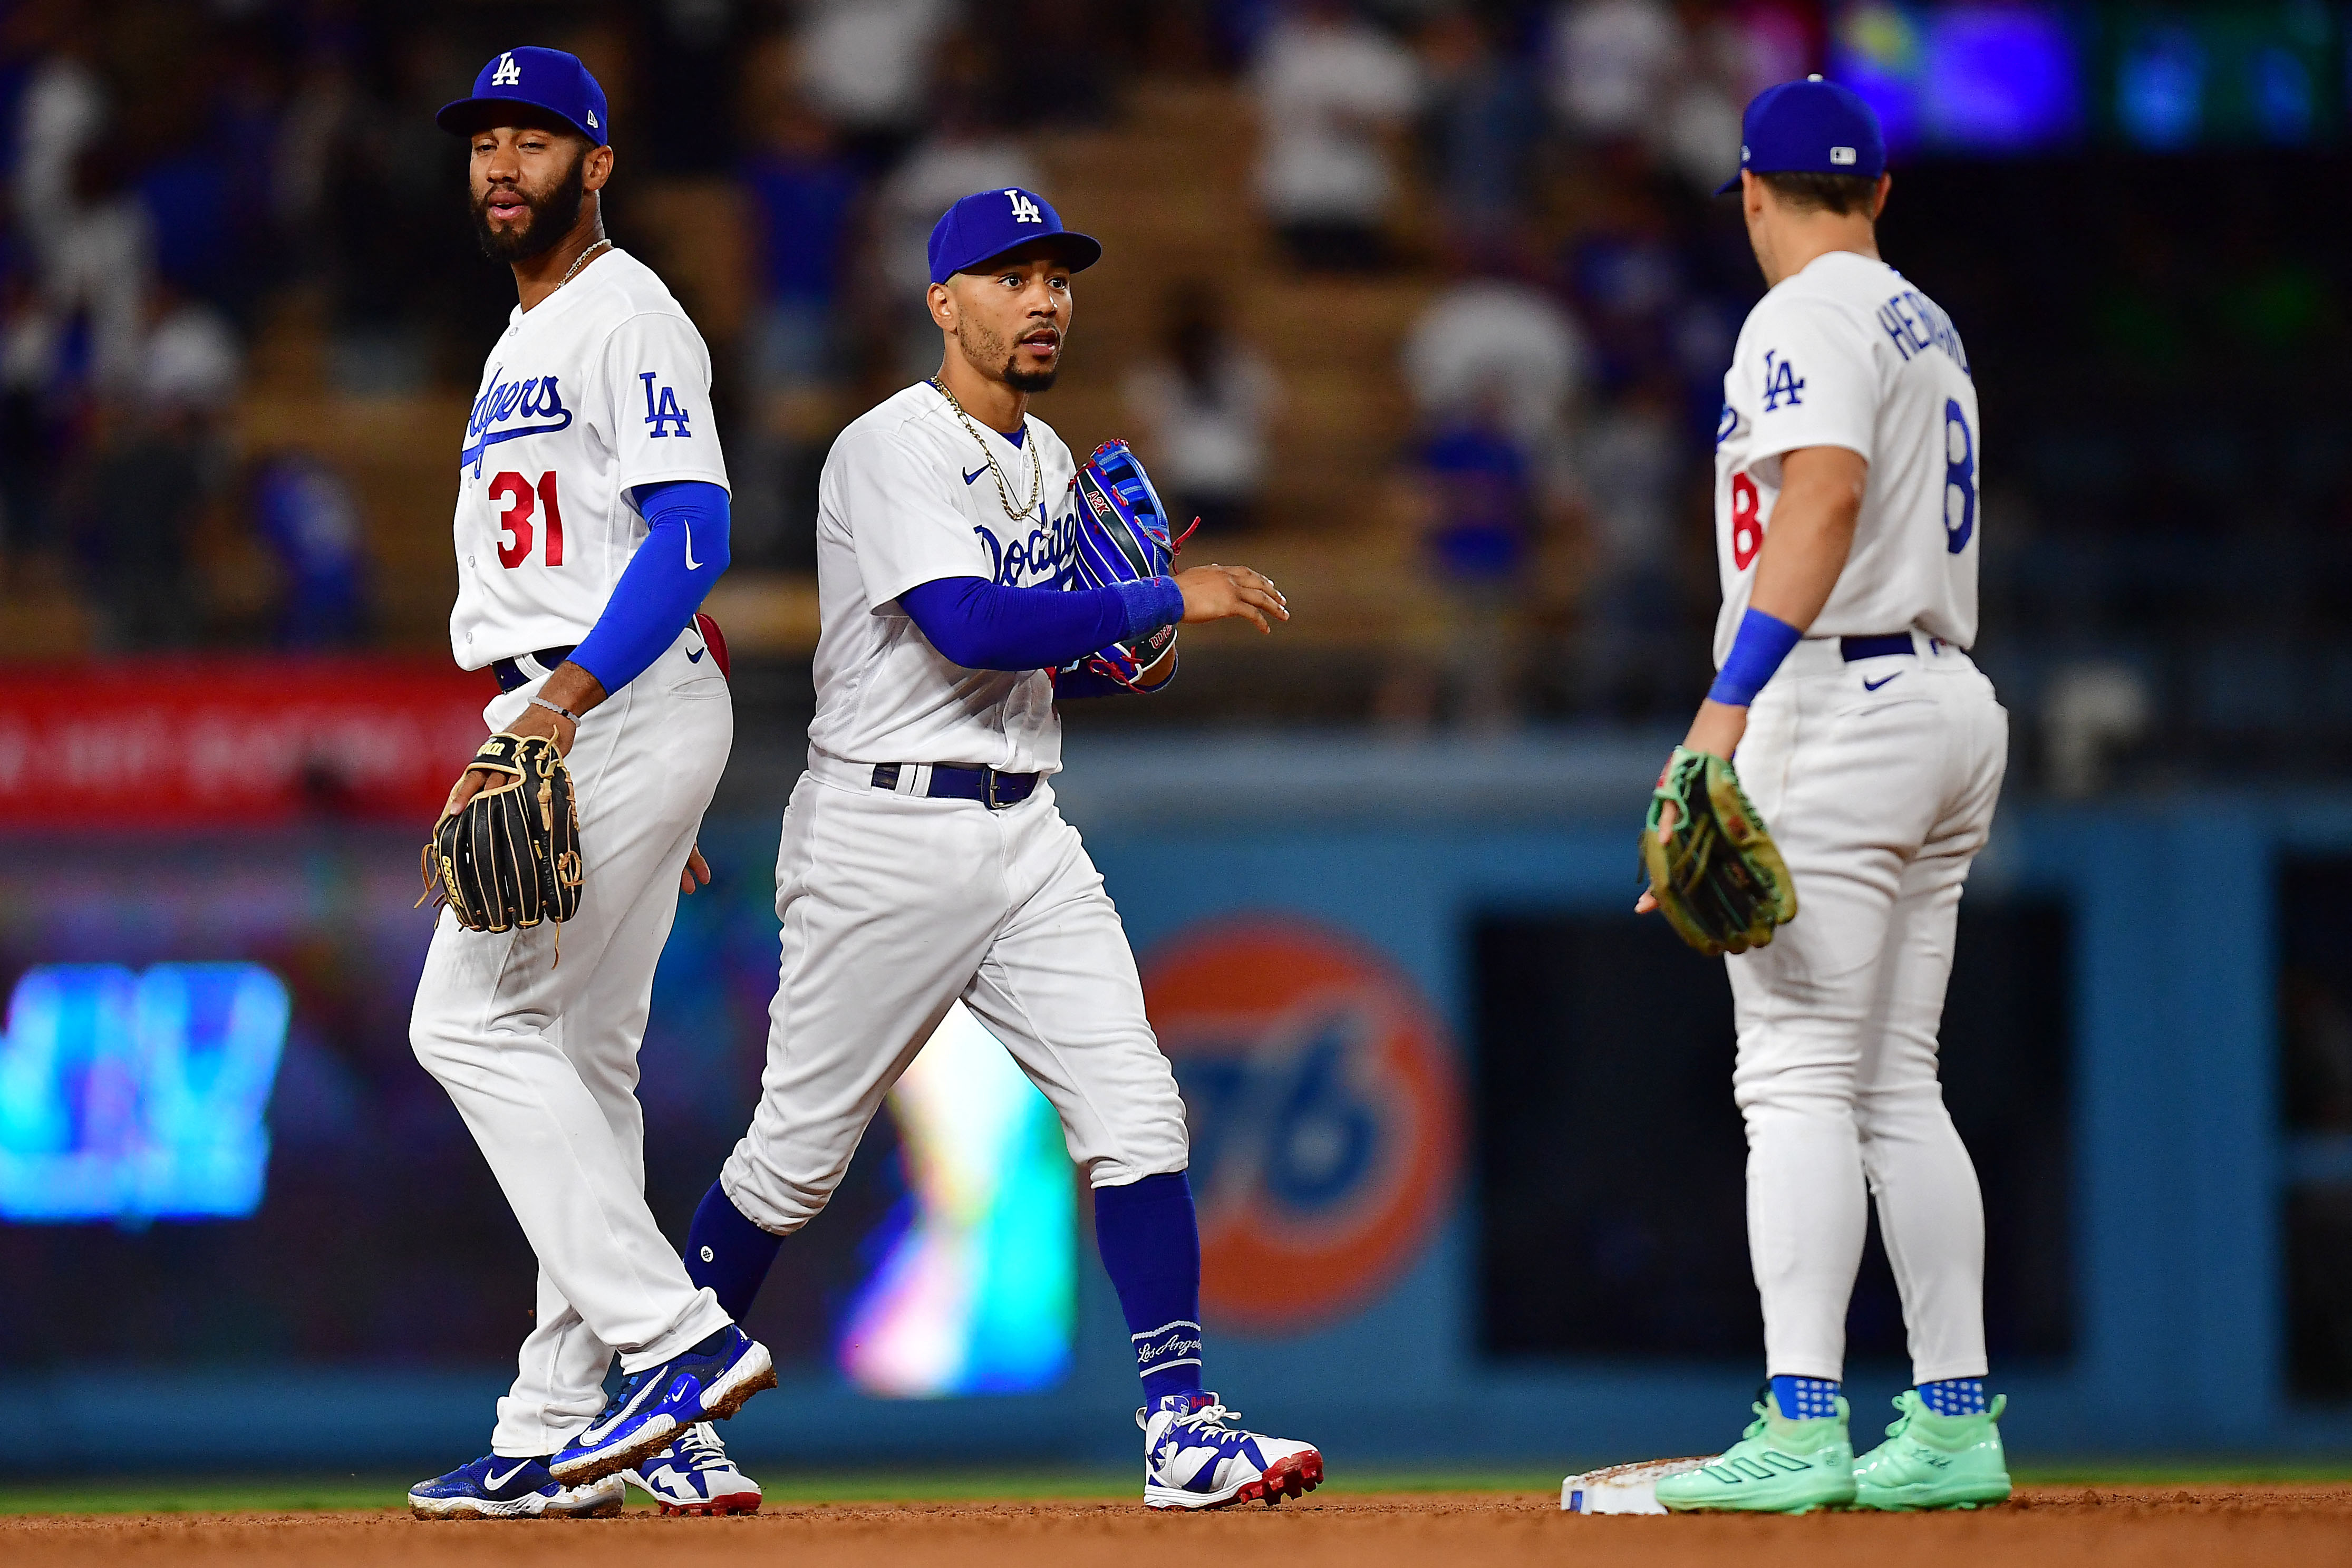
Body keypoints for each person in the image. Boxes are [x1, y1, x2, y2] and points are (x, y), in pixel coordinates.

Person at [674, 187, 1324, 1512]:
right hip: (883, 832)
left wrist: (1110, 659)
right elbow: (967, 627)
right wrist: (1160, 596)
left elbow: (1022, 672)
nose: (1043, 299)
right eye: (1010, 275)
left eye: (1057, 278)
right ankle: (661, 1401)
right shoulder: (886, 446)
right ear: (942, 302)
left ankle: (1180, 1419)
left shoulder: (1044, 460)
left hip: (1023, 825)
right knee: (791, 1161)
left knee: (1136, 1108)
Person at [403, 47, 773, 1522]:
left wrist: (569, 708)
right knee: (582, 1061)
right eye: (485, 139)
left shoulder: (627, 314)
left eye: (535, 137)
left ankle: (674, 1341)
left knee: (462, 1021)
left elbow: (693, 536)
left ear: (598, 161)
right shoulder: (523, 336)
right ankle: (567, 1421)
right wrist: (632, 766)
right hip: (608, 713)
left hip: (591, 700)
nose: (503, 161)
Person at [1641, 78, 2012, 1514]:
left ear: (1748, 191)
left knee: (1792, 1075)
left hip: (1832, 702)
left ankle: (1800, 1419)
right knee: (1892, 1082)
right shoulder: (1921, 313)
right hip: (1944, 701)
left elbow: (1822, 494)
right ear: (1877, 194)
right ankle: (1949, 1416)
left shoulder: (1793, 312)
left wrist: (1718, 714)